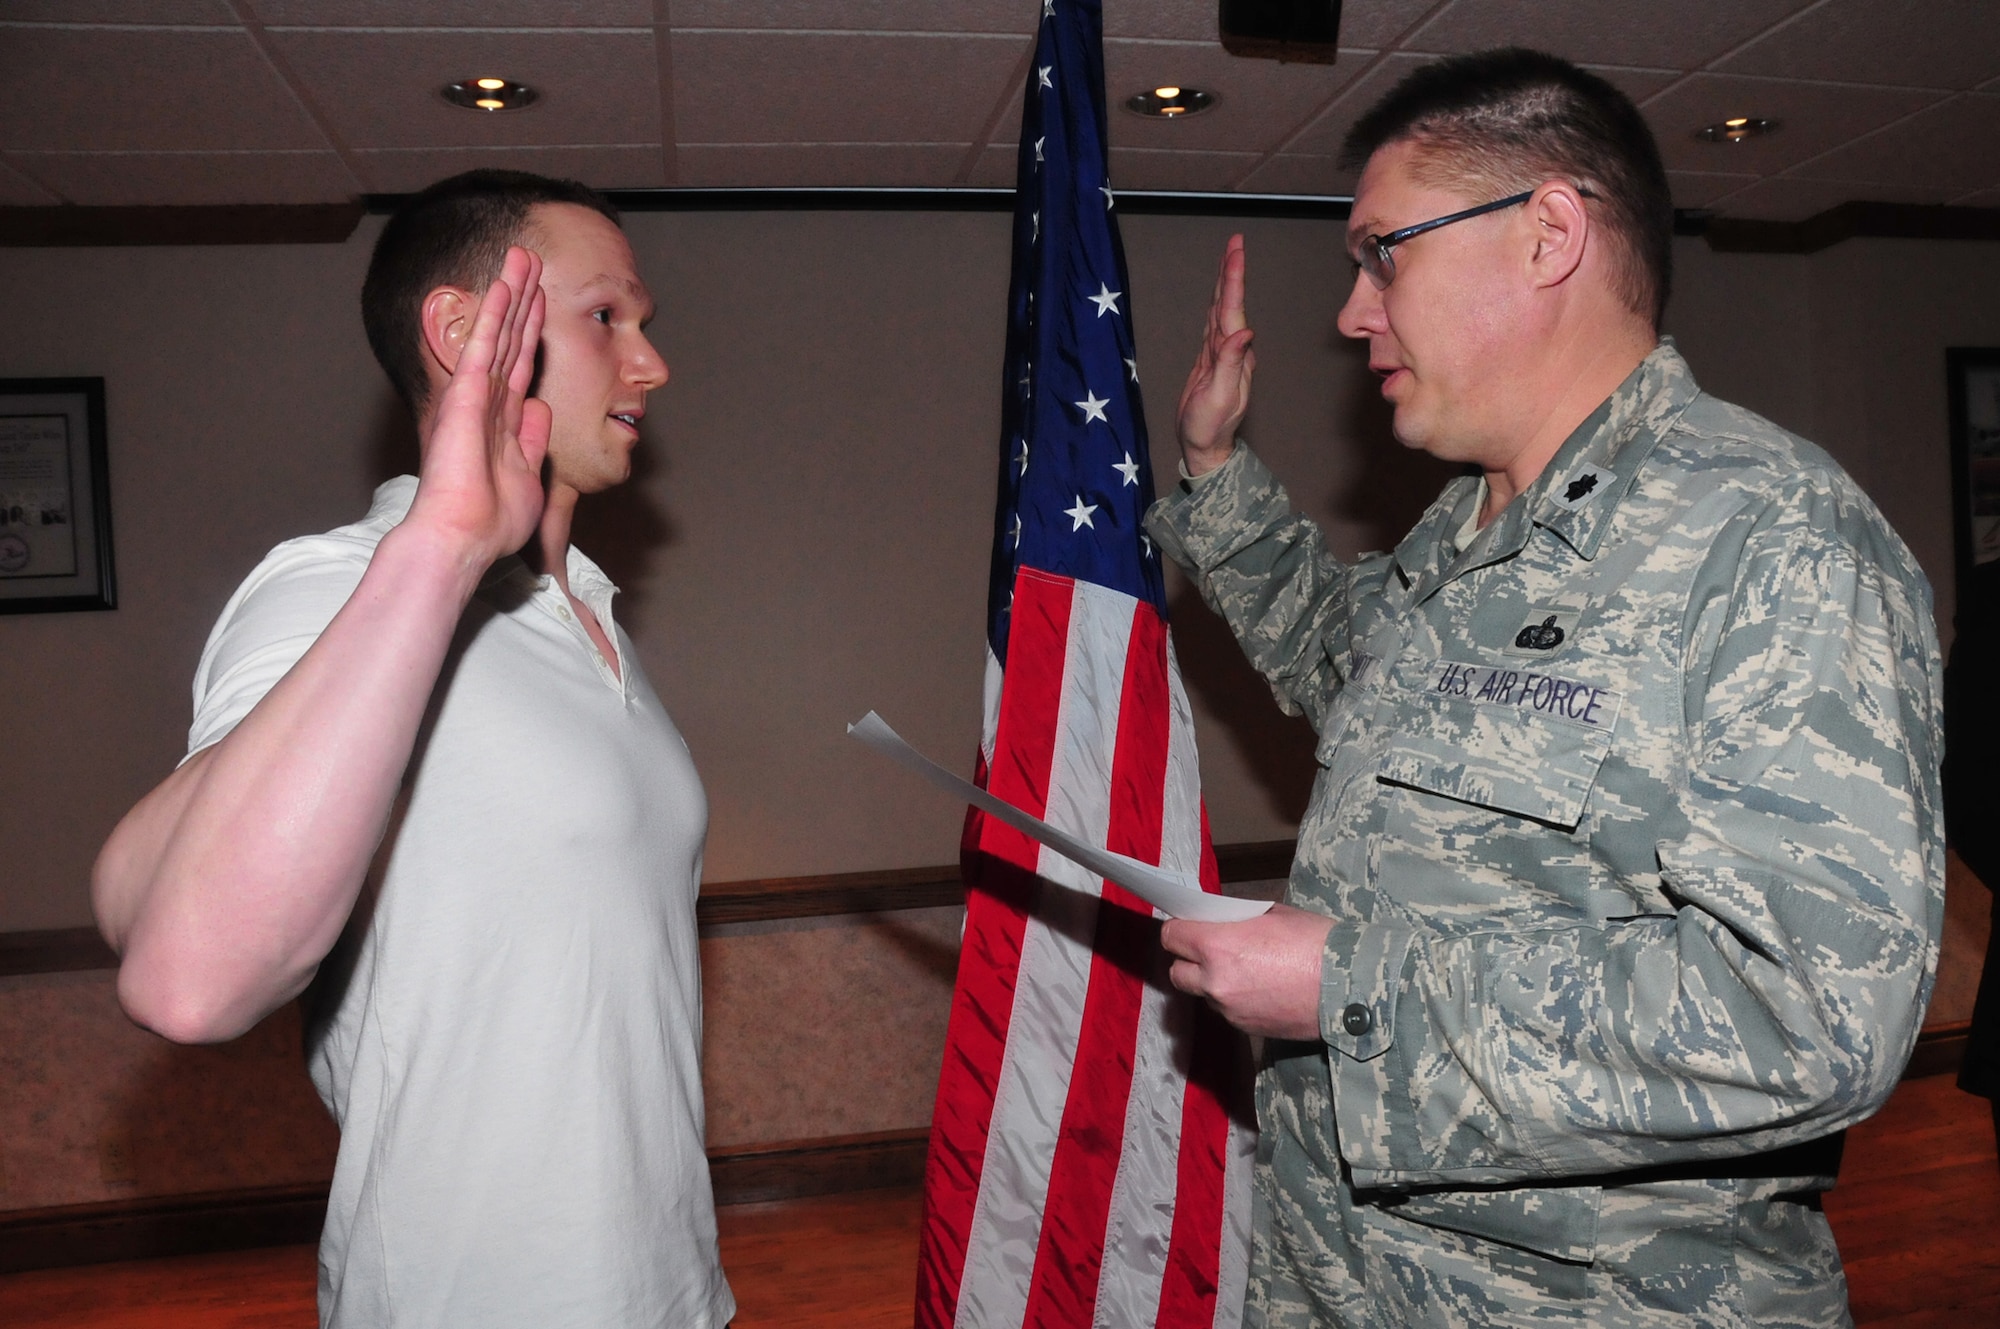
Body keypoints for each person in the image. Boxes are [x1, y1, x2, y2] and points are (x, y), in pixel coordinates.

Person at [1152, 49, 1943, 1328]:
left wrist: (1351, 984)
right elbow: (1343, 670)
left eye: (1382, 256)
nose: (1353, 314)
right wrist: (1211, 465)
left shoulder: (1769, 540)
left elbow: (1812, 1018)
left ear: (1546, 234)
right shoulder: (1465, 530)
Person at [91, 171, 736, 1329]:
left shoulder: (588, 618)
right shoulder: (337, 587)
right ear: (460, 330)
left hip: (671, 1296)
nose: (651, 364)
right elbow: (187, 978)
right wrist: (441, 549)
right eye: (607, 318)